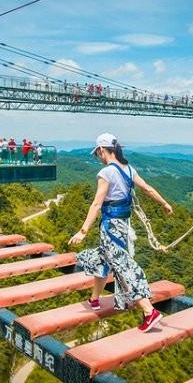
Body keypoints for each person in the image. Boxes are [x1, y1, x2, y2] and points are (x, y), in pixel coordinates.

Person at [68, 133, 173, 333]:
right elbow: (148, 189)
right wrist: (165, 203)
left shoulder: (106, 173)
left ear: (101, 150)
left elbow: (97, 203)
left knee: (121, 265)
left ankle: (149, 311)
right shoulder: (129, 169)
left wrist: (83, 231)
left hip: (110, 226)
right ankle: (95, 299)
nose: (97, 157)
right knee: (103, 258)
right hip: (123, 225)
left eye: (97, 153)